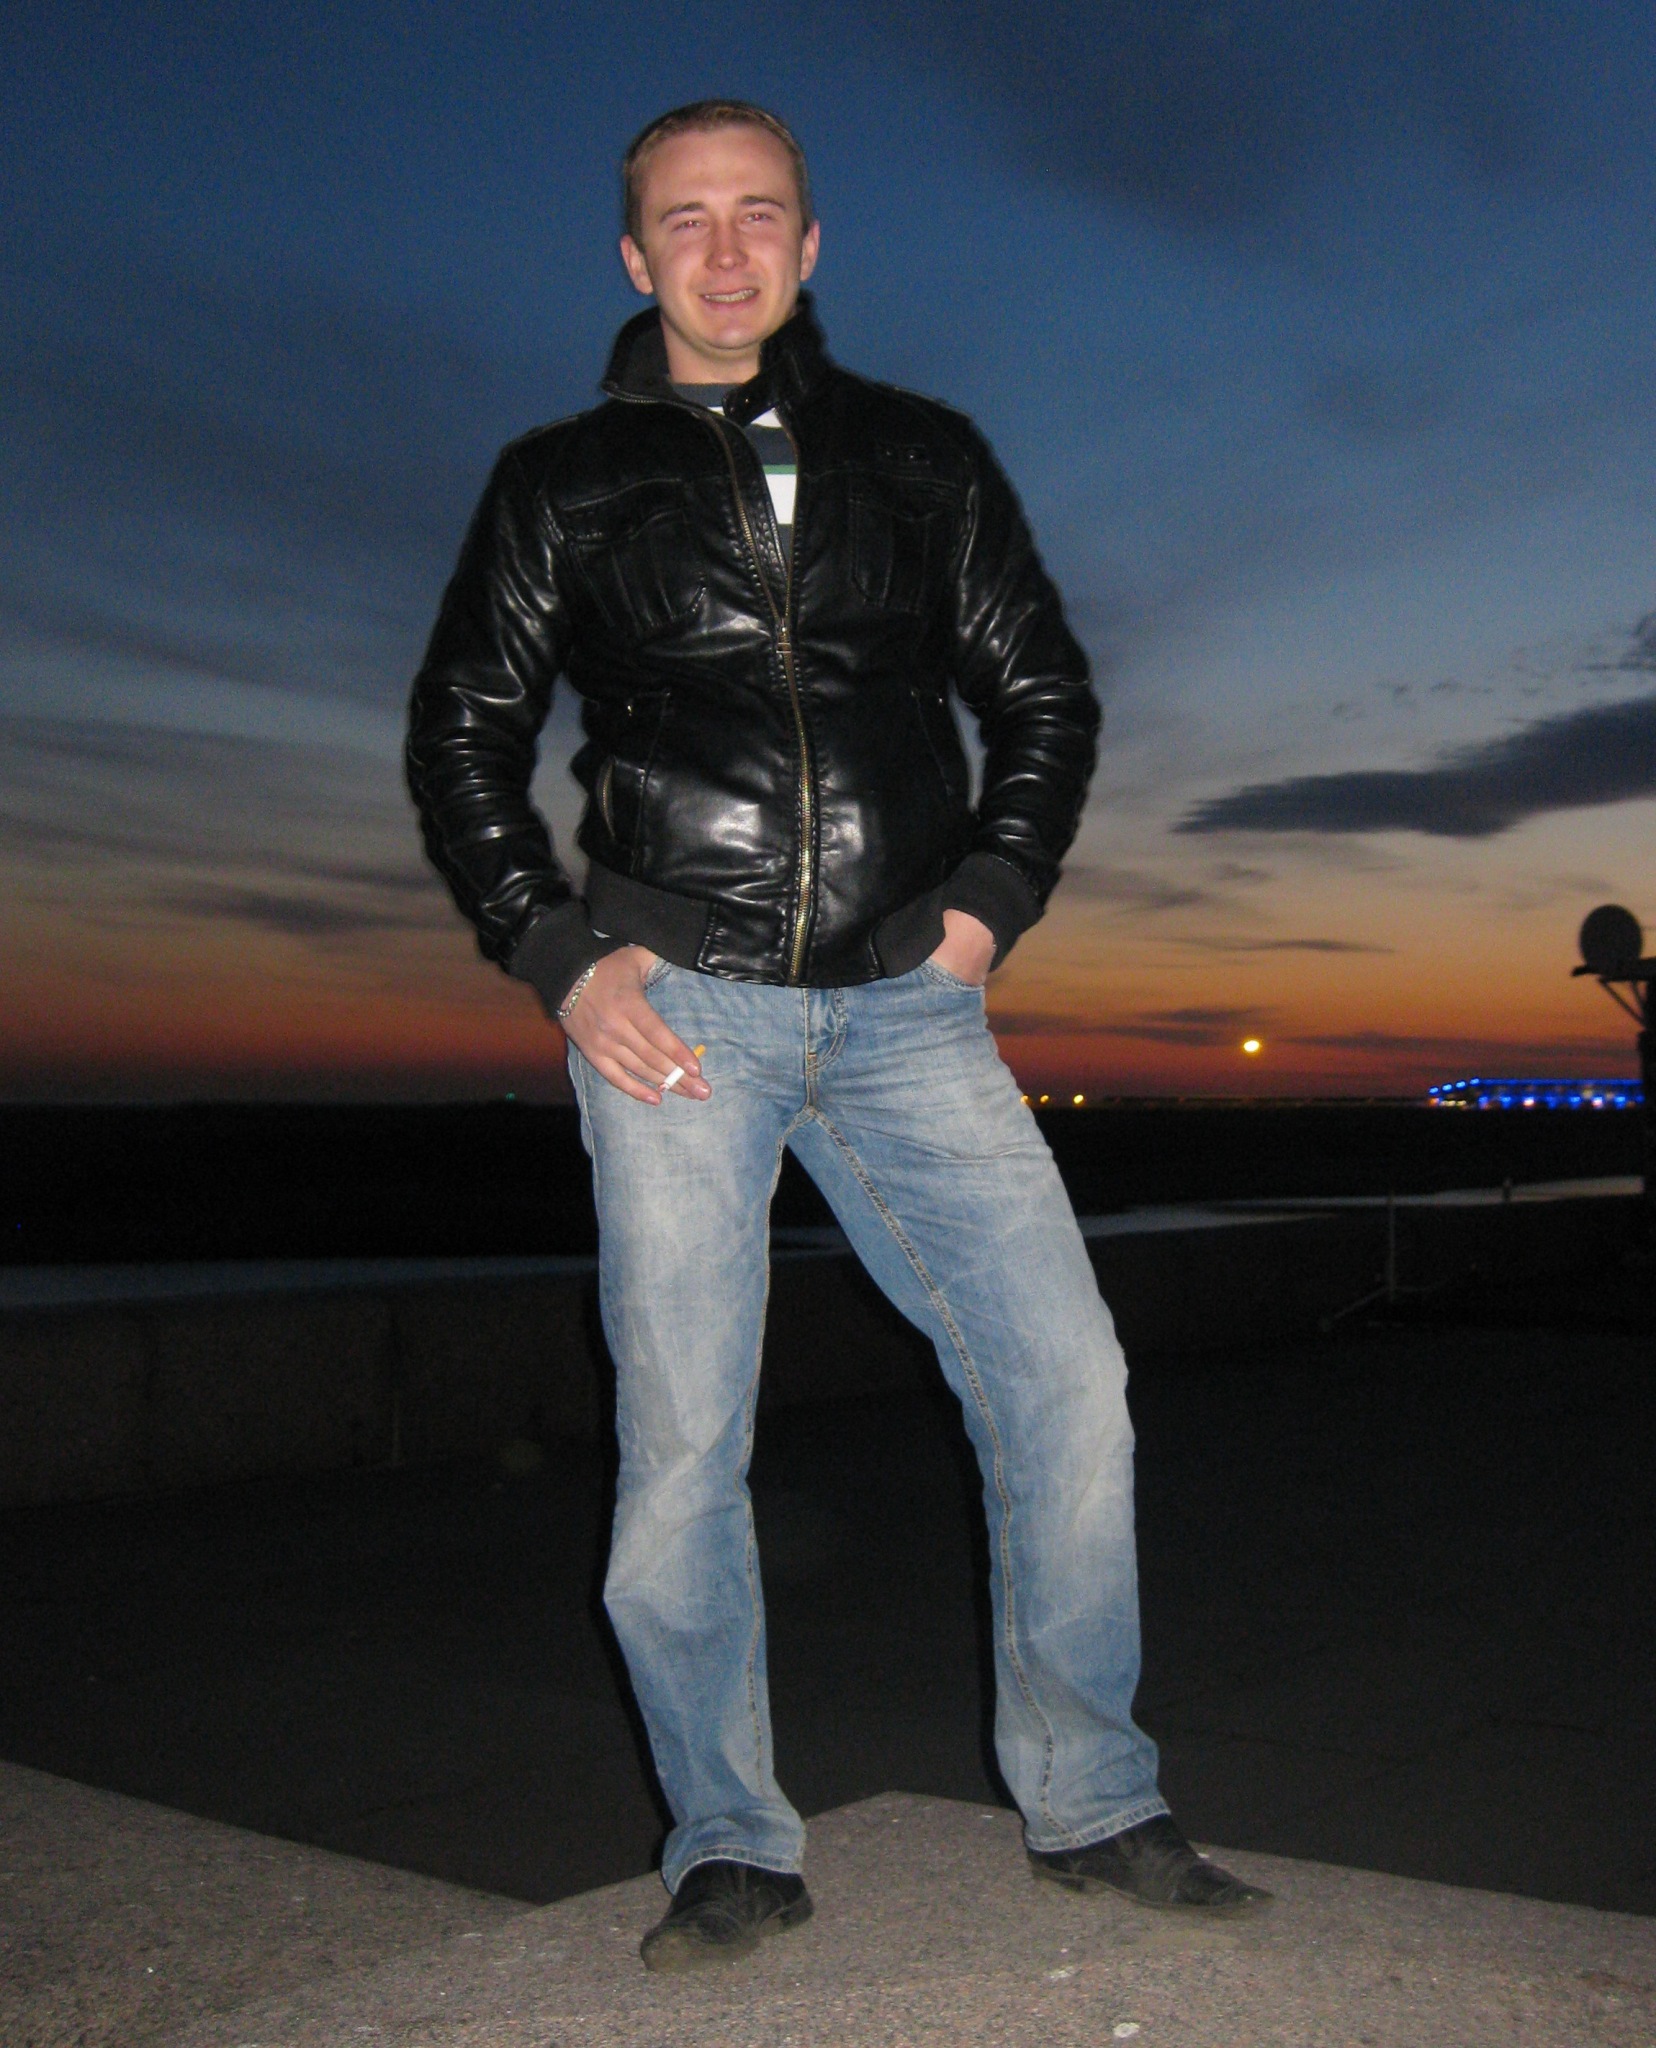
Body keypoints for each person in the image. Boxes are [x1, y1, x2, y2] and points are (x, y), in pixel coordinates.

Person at [406, 98, 1269, 1972]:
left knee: (1067, 1385)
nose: (725, 250)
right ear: (634, 256)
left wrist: (986, 906)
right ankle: (728, 1840)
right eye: (685, 219)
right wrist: (558, 953)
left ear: (810, 245)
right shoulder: (562, 480)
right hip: (676, 1007)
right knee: (682, 1446)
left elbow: (1042, 693)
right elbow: (464, 731)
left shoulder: (922, 456)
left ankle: (1094, 1797)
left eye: (760, 215)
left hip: (906, 1009)